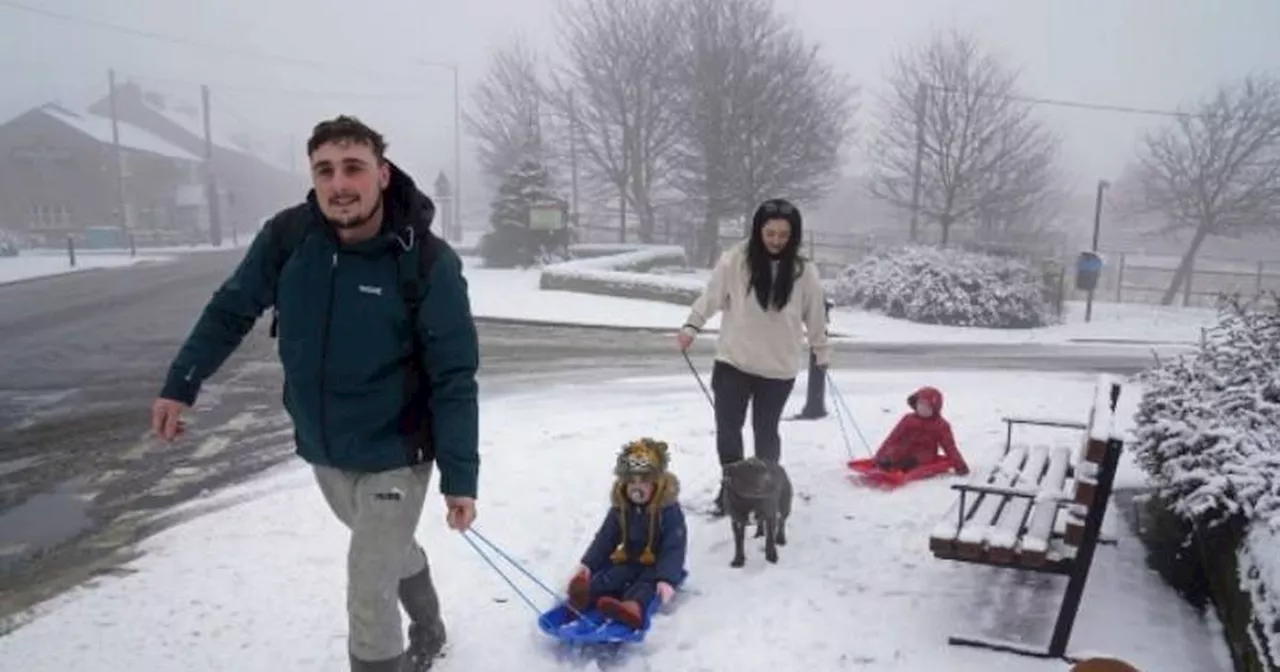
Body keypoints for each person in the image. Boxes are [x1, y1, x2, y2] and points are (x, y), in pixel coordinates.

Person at [149, 116, 479, 672]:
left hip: (399, 451)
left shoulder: (425, 261)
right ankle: (430, 623)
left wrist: (461, 479)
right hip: (325, 446)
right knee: (386, 548)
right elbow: (232, 309)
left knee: (367, 584)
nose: (339, 183)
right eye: (325, 170)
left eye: (353, 167)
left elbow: (454, 376)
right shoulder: (288, 238)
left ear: (382, 173)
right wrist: (182, 383)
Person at [677, 198, 830, 516]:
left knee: (766, 432)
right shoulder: (735, 261)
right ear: (758, 230)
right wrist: (692, 325)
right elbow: (712, 296)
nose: (776, 240)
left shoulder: (805, 272)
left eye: (783, 235)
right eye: (770, 233)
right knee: (728, 429)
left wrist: (821, 349)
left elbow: (815, 315)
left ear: (794, 235)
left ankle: (766, 492)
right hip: (734, 361)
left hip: (778, 368)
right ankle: (731, 490)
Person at [568, 438, 688, 629]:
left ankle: (633, 609)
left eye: (644, 482)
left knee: (644, 586)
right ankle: (584, 596)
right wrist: (588, 564)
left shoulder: (667, 509)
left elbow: (674, 547)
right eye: (631, 481)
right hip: (630, 558)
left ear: (656, 483)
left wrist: (667, 578)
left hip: (656, 566)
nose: (636, 488)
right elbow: (606, 538)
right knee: (612, 576)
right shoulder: (621, 507)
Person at [873, 386, 970, 475]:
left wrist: (960, 465)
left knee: (917, 459)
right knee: (896, 451)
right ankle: (886, 463)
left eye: (927, 406)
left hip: (924, 453)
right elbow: (893, 438)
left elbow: (950, 447)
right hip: (906, 448)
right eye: (920, 404)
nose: (922, 409)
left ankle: (906, 468)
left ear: (935, 408)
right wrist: (880, 455)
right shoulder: (908, 419)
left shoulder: (941, 425)